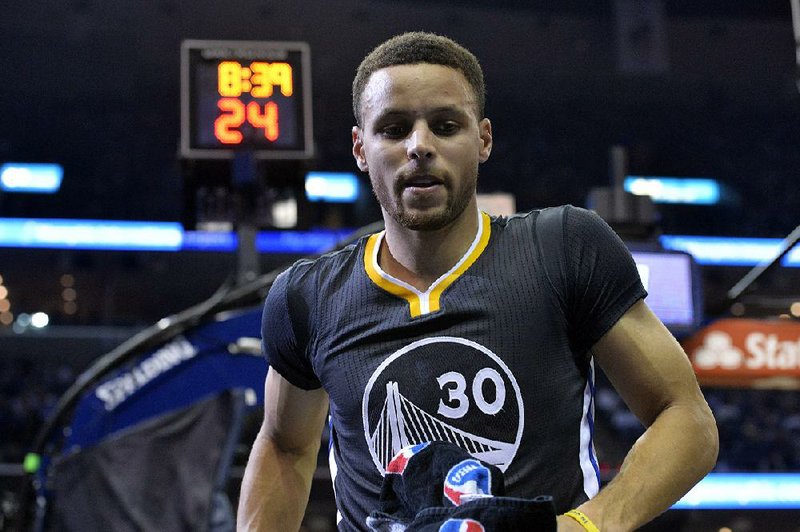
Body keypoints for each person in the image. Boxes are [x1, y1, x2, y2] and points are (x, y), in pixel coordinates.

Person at [237, 32, 718, 531]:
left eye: (445, 126)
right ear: (360, 148)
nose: (419, 146)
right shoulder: (308, 296)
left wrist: (589, 525)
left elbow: (687, 418)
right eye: (395, 128)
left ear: (483, 139)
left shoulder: (565, 247)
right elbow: (284, 446)